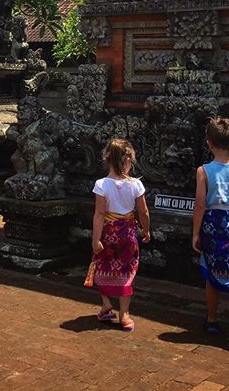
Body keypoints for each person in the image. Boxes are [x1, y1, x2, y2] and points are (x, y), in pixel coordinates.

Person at [192, 117, 229, 356]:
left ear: (209, 143)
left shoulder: (204, 171)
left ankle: (212, 319)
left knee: (211, 272)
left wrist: (195, 233)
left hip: (213, 225)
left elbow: (199, 205)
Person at [91, 138, 151, 332]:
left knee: (102, 266)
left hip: (108, 232)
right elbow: (143, 212)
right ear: (129, 160)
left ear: (107, 159)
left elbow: (99, 214)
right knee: (126, 272)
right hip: (128, 233)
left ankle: (107, 303)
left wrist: (95, 239)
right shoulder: (135, 185)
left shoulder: (101, 184)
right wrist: (146, 229)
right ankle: (124, 315)